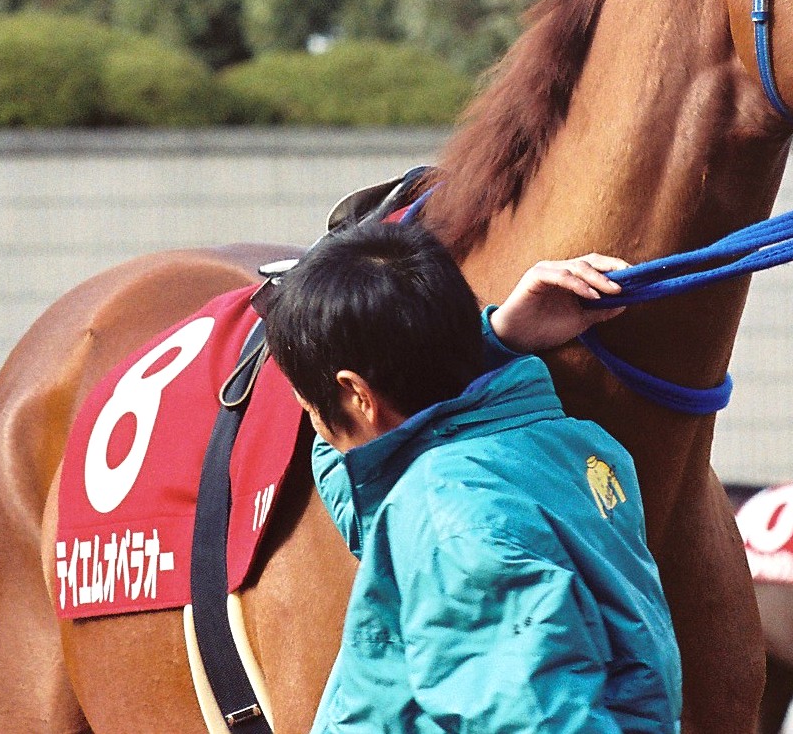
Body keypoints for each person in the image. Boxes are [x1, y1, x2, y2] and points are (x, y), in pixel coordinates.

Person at [259, 219, 682, 733]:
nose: (318, 430)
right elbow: (368, 478)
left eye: (311, 407)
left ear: (358, 396)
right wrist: (494, 341)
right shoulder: (578, 449)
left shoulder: (442, 515)